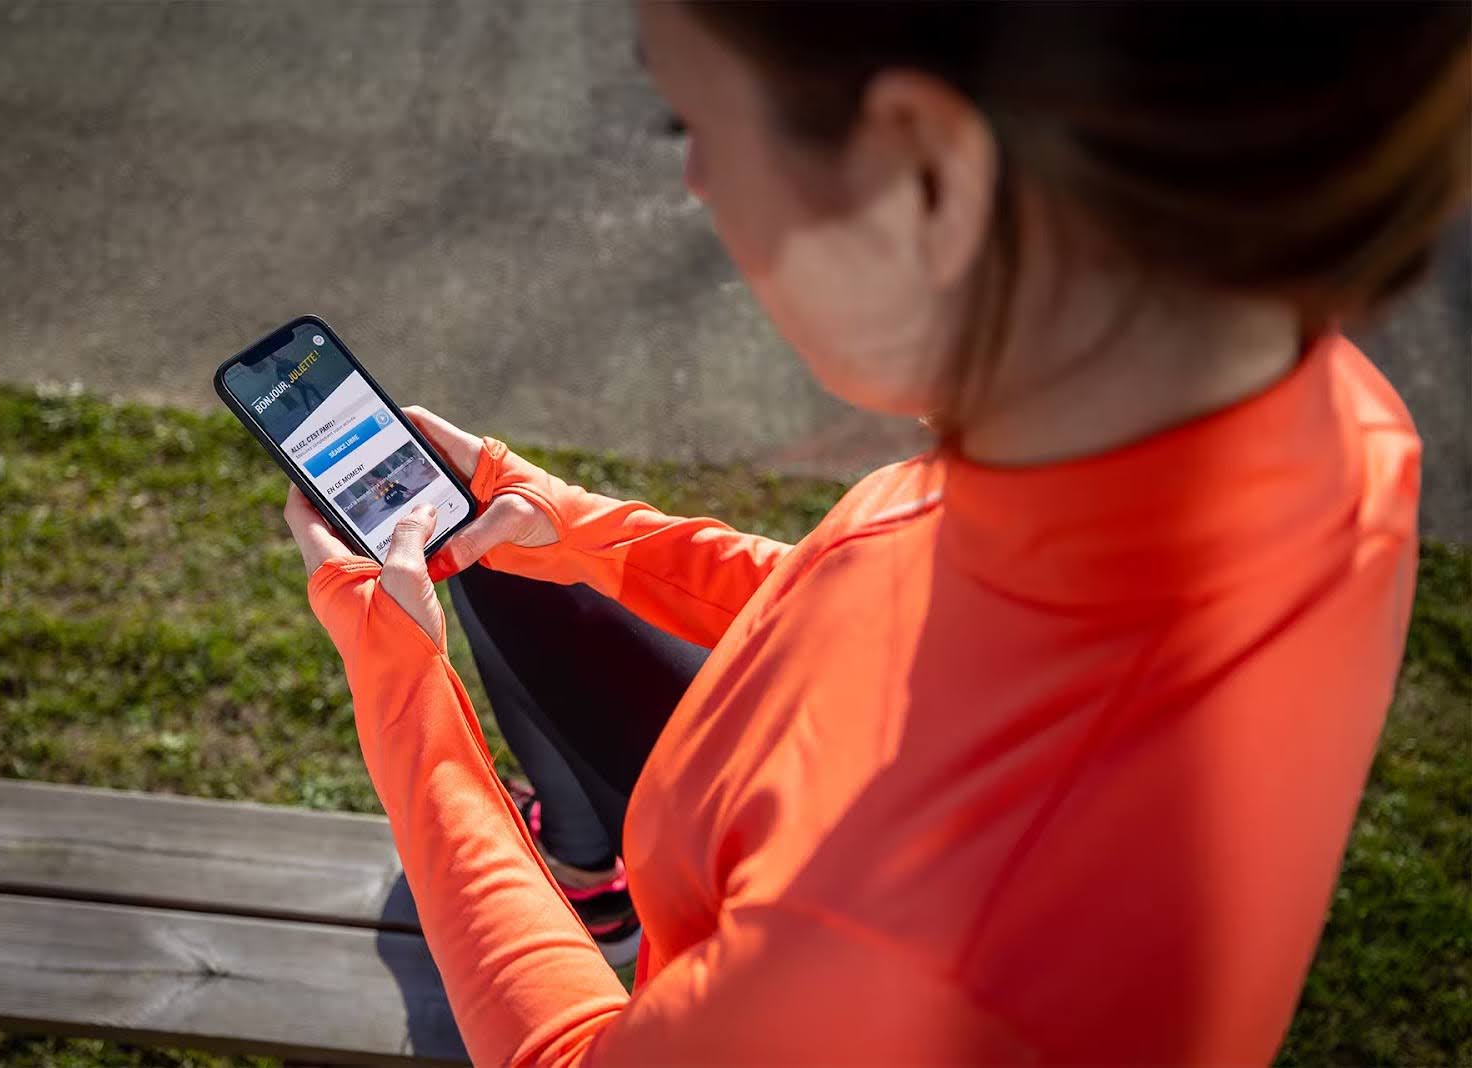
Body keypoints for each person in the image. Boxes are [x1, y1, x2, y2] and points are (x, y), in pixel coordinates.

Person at [283, 3, 1469, 1064]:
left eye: (681, 117)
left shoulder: (879, 950)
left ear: (925, 172)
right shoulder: (1340, 430)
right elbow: (893, 630)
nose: (695, 178)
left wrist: (398, 677)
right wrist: (585, 534)